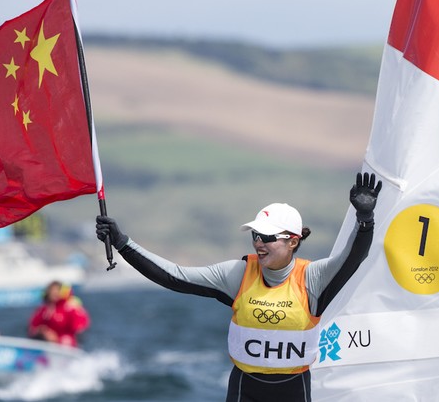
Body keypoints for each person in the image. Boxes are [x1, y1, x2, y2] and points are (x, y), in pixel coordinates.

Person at [96, 172, 382, 401]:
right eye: (255, 234)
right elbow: (174, 277)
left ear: (292, 241)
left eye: (267, 236)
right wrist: (123, 243)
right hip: (245, 388)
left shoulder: (313, 278)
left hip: (294, 391)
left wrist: (365, 220)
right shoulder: (238, 274)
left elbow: (354, 257)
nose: (258, 242)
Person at [28, 280, 91, 347]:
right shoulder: (42, 310)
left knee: (66, 340)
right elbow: (33, 327)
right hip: (47, 343)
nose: (54, 293)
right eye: (52, 291)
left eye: (57, 290)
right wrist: (42, 331)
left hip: (66, 341)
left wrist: (57, 338)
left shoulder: (68, 307)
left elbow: (81, 324)